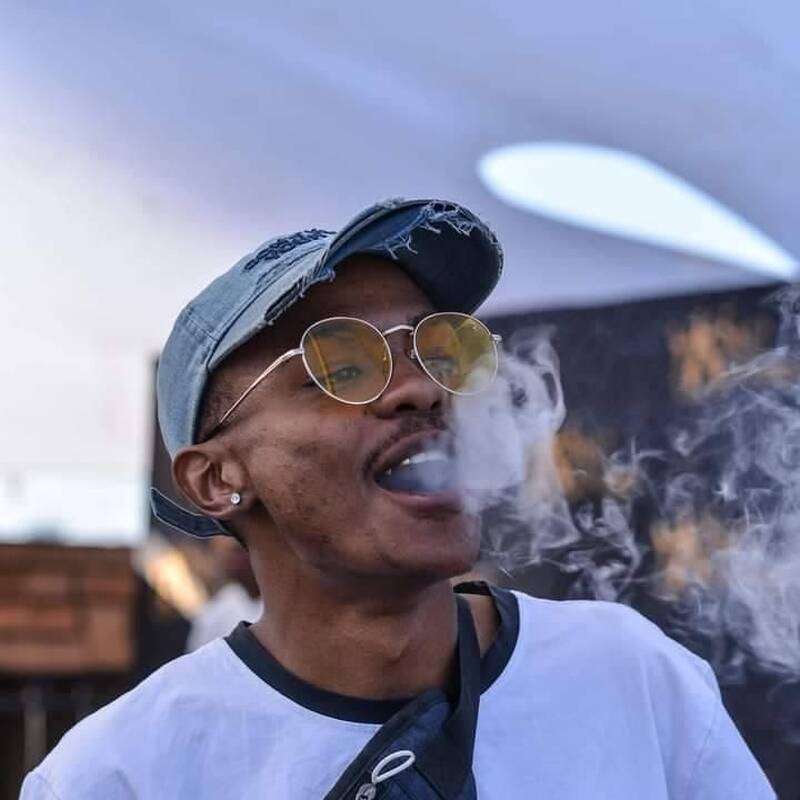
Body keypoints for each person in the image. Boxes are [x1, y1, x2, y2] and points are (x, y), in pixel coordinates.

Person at [20, 199, 775, 798]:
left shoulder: (630, 678)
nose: (422, 388)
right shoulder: (121, 774)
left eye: (440, 349)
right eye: (341, 364)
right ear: (218, 479)